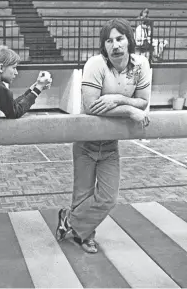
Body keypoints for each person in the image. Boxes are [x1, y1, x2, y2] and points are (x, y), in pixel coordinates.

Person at [55, 18, 151, 254]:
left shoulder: (141, 65)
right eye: (109, 41)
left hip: (109, 143)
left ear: (129, 41)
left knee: (108, 198)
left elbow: (144, 101)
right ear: (104, 46)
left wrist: (117, 99)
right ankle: (85, 235)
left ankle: (69, 218)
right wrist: (129, 110)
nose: (115, 45)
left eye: (119, 39)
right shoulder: (96, 64)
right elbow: (90, 106)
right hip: (86, 141)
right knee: (83, 194)